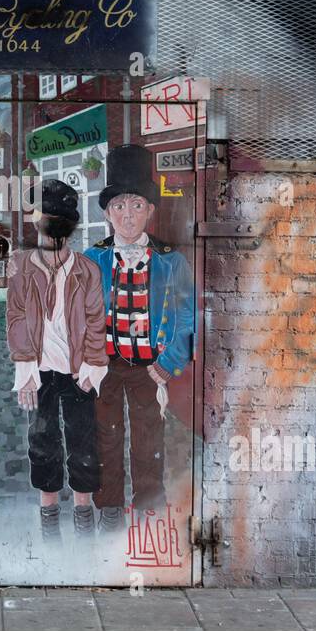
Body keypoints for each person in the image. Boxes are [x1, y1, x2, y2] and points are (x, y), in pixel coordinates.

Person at [83, 144, 195, 535]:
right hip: (106, 367)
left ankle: (148, 511)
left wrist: (167, 365)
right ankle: (109, 510)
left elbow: (186, 318)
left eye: (136, 206)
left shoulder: (171, 261)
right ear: (107, 212)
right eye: (119, 207)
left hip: (151, 368)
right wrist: (87, 361)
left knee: (149, 443)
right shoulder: (93, 259)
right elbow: (78, 315)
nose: (127, 216)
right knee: (106, 440)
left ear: (150, 210)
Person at [6, 179, 109, 539]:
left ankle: (83, 519)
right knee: (42, 440)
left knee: (83, 441)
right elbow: (16, 317)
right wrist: (26, 370)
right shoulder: (21, 267)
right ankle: (49, 519)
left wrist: (93, 367)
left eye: (61, 222)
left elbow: (96, 321)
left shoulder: (86, 270)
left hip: (78, 370)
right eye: (46, 219)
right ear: (36, 222)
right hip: (40, 371)